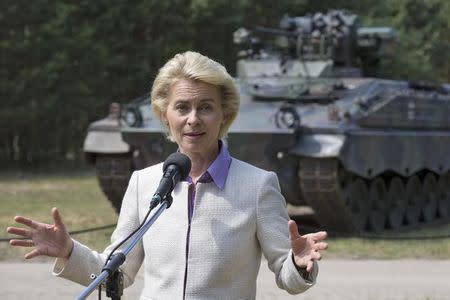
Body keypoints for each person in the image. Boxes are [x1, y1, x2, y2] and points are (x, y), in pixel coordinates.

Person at [7, 51, 328, 299]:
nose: (193, 119)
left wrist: (299, 265)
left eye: (205, 107)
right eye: (182, 107)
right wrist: (69, 251)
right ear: (165, 115)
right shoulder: (143, 184)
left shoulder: (258, 186)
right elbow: (118, 273)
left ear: (224, 114)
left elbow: (287, 278)